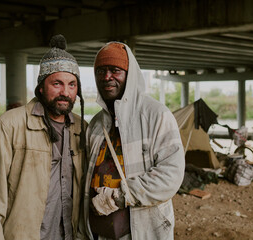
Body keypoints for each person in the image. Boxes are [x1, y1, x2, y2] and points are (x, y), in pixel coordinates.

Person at [0, 34, 87, 240]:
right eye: (57, 84)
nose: (66, 92)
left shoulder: (82, 128)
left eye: (72, 85)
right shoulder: (11, 124)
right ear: (40, 87)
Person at [78, 42, 185, 240]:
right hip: (99, 234)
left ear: (129, 75)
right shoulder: (95, 125)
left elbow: (170, 175)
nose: (107, 77)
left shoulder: (156, 115)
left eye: (115, 70)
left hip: (142, 232)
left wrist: (118, 197)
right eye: (101, 71)